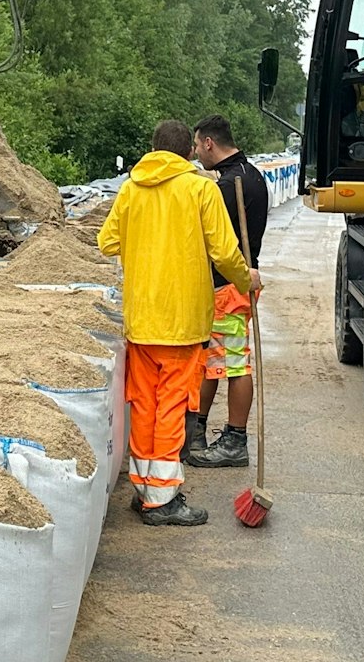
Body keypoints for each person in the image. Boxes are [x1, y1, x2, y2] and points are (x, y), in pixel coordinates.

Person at [97, 119, 254, 527]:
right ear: (188, 152)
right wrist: (246, 280)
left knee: (145, 406)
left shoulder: (132, 188)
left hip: (142, 318)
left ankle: (146, 490)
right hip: (182, 322)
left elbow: (107, 242)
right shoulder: (199, 188)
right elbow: (224, 251)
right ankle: (163, 501)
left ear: (153, 150)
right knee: (172, 407)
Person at [185, 115, 269, 469]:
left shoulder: (229, 187)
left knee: (232, 364)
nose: (195, 154)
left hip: (228, 288)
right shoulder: (249, 175)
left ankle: (234, 439)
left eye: (196, 146)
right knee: (215, 363)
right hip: (232, 285)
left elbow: (218, 243)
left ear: (208, 143)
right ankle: (199, 432)